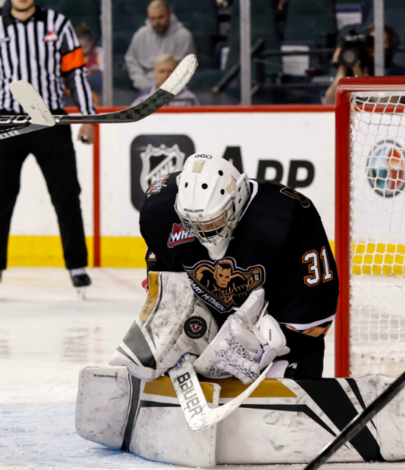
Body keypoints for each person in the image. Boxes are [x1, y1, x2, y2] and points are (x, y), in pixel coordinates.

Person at [125, 152, 338, 383]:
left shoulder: (286, 215)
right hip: (208, 333)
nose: (202, 233)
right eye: (192, 224)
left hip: (278, 340)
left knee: (289, 404)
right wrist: (176, 328)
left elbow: (316, 301)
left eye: (212, 222)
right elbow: (165, 281)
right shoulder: (159, 212)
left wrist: (273, 344)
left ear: (236, 201)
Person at [0, 0, 96, 299]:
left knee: (67, 195)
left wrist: (88, 117)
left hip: (50, 120)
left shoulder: (58, 25)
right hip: (6, 123)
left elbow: (76, 75)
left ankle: (78, 268)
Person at [323, 24, 405, 105]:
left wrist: (360, 80)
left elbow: (388, 105)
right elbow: (330, 101)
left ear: (389, 45)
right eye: (371, 43)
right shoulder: (352, 71)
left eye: (380, 42)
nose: (374, 47)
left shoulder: (396, 72)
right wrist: (342, 67)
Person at [124, 0, 196, 93]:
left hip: (176, 90)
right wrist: (143, 84)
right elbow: (132, 62)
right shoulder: (140, 35)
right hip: (144, 89)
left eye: (161, 17)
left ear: (169, 14)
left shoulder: (184, 36)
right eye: (152, 19)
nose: (157, 23)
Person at [130, 54, 198, 107]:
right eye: (161, 71)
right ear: (154, 75)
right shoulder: (142, 101)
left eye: (170, 71)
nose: (166, 75)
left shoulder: (191, 99)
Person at [75, 23, 103, 96]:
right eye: (80, 47)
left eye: (85, 47)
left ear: (91, 42)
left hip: (97, 92)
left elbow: (107, 72)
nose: (83, 51)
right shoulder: (71, 56)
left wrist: (98, 69)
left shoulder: (99, 52)